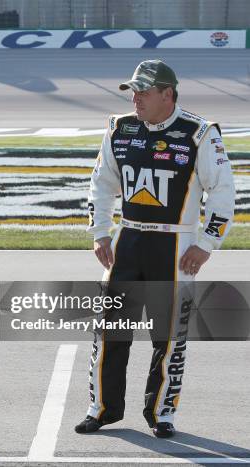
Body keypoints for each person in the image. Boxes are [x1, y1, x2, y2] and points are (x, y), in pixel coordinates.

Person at [76, 60, 236, 438]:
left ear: (168, 93)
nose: (136, 99)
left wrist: (206, 243)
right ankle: (101, 408)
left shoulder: (199, 132)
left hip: (176, 244)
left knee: (169, 337)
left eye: (143, 92)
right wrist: (100, 232)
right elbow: (101, 183)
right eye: (133, 91)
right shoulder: (119, 127)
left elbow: (224, 193)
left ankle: (162, 413)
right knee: (110, 330)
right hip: (127, 241)